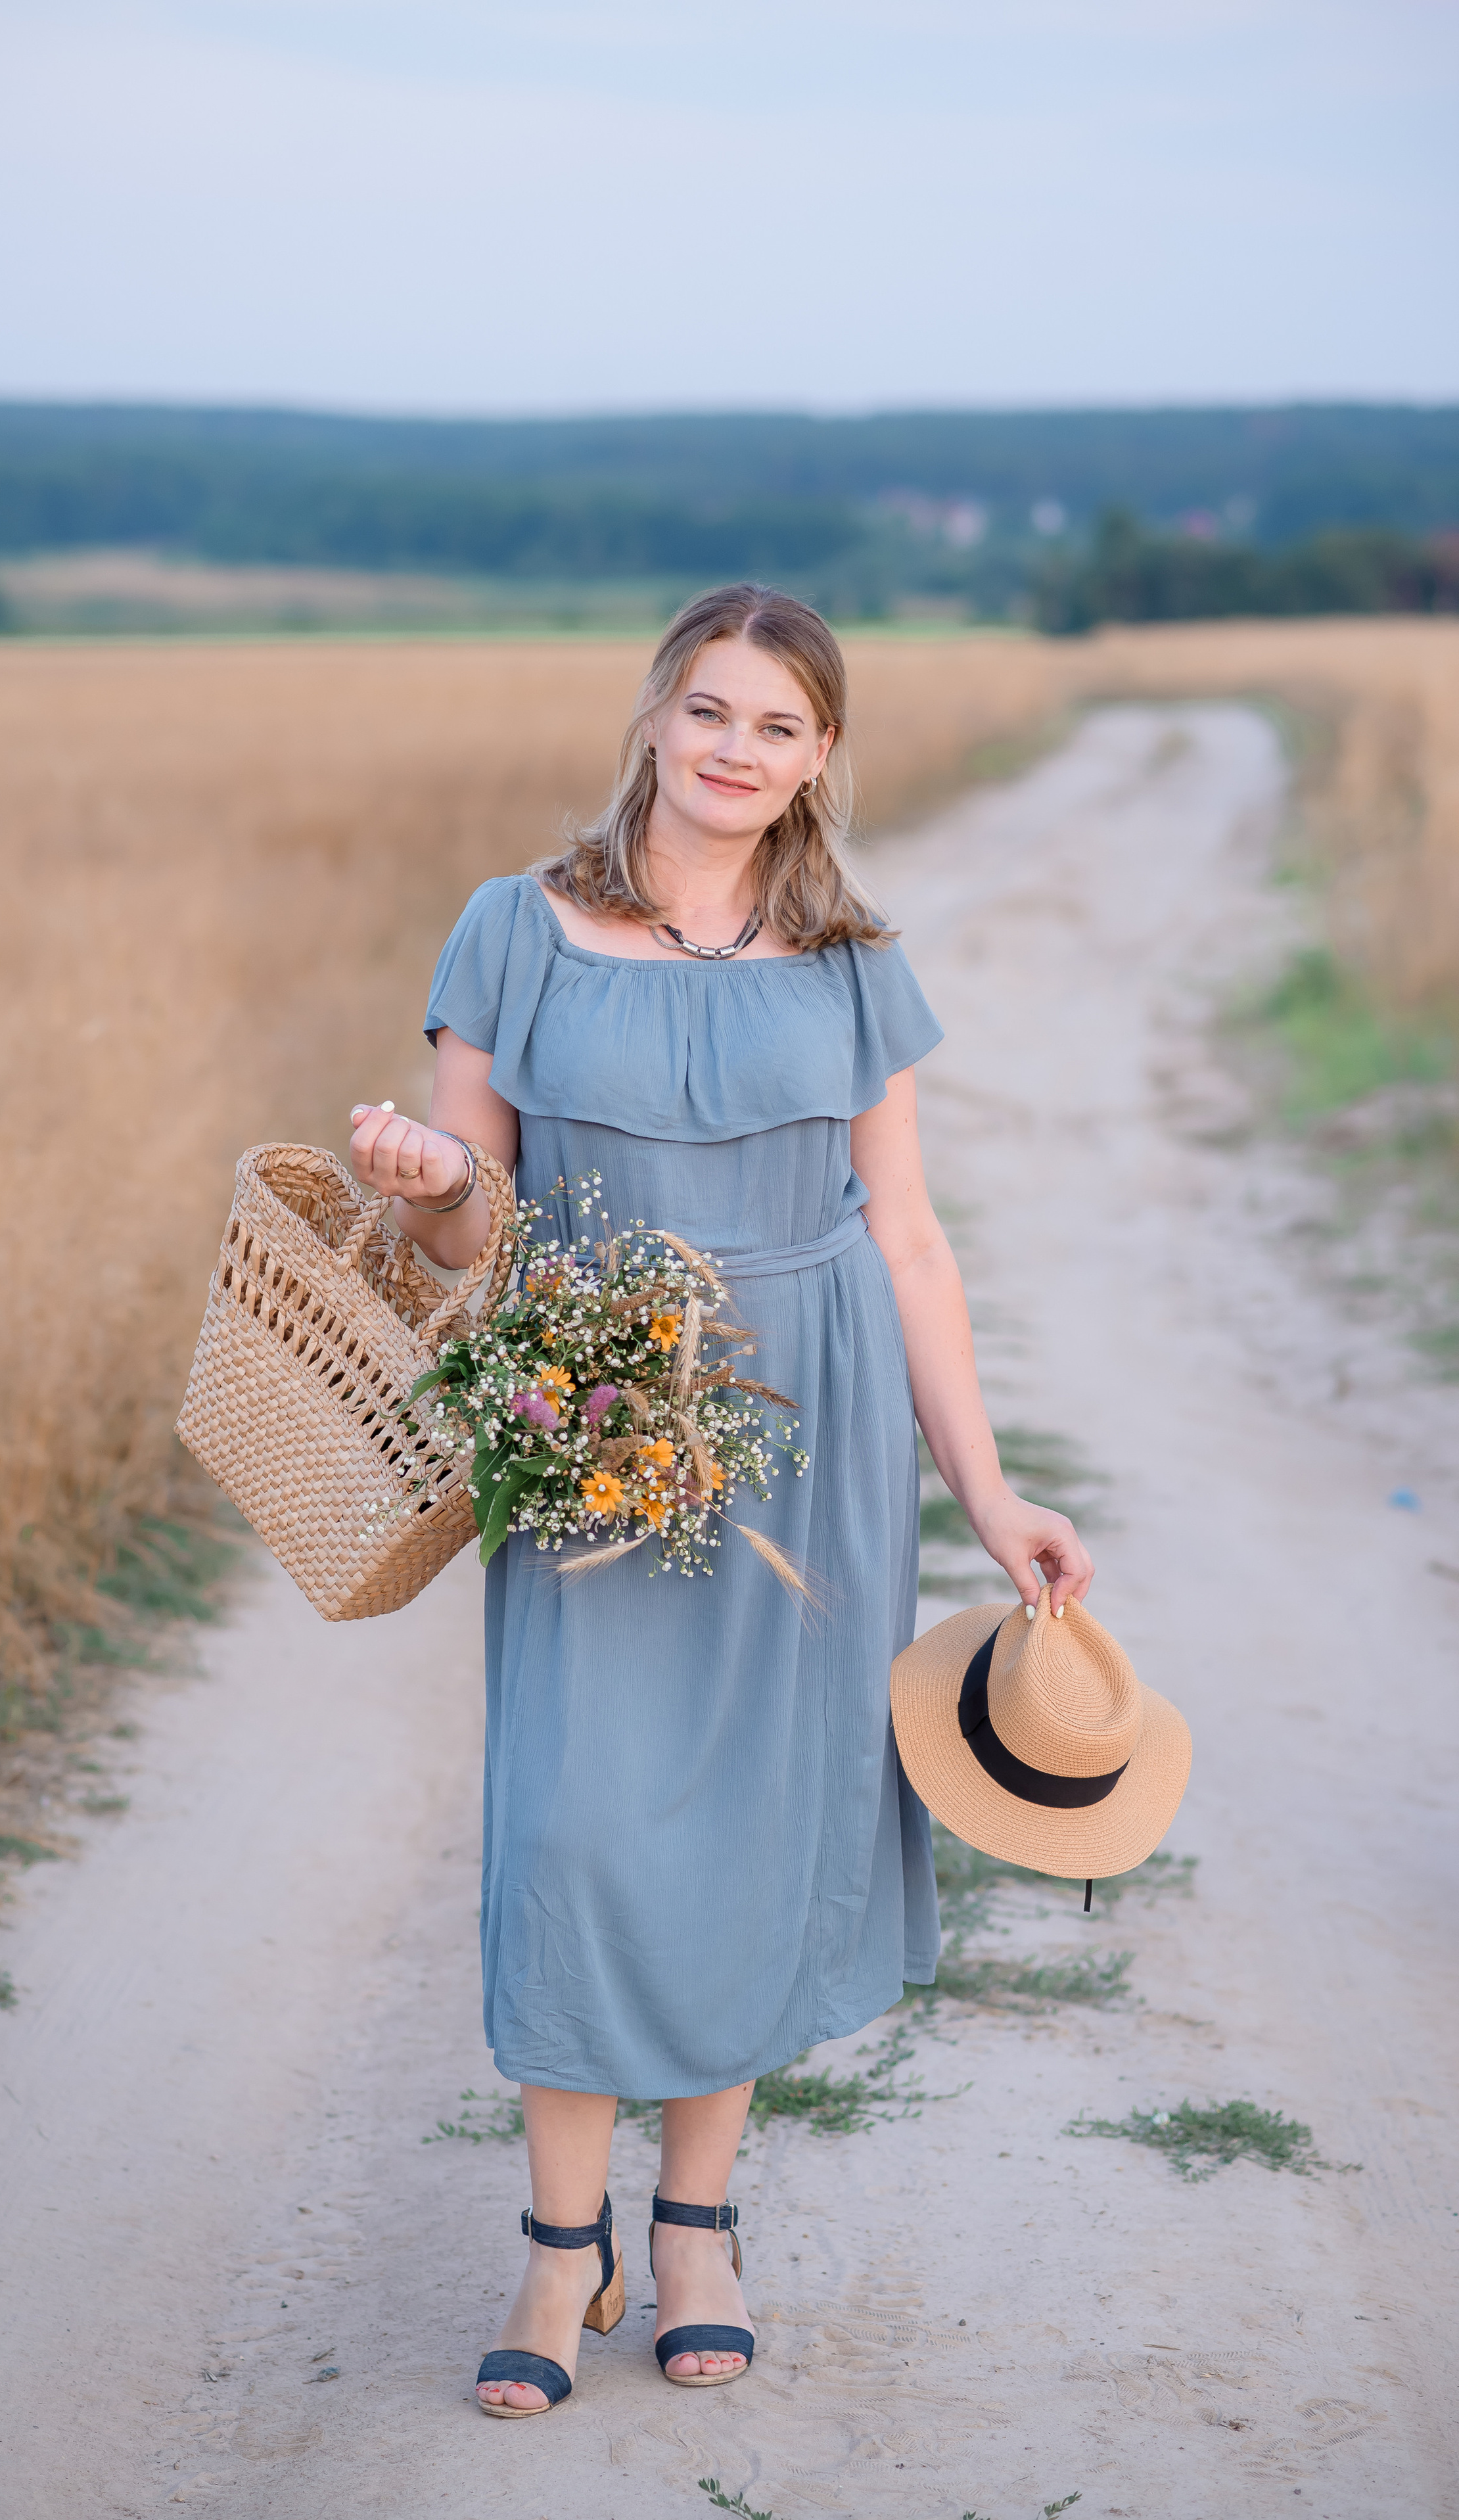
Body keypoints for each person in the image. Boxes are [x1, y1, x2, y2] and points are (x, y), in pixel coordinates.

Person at [346, 582, 1092, 2418]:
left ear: (822, 752)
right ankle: (553, 2240)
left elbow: (910, 1239)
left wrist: (991, 1499)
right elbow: (469, 1230)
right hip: (594, 1415)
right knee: (580, 1827)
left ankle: (697, 2223)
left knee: (763, 1822)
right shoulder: (514, 932)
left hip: (808, 1428)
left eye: (779, 723)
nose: (738, 751)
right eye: (711, 712)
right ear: (654, 719)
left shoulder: (851, 960)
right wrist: (429, 1173)